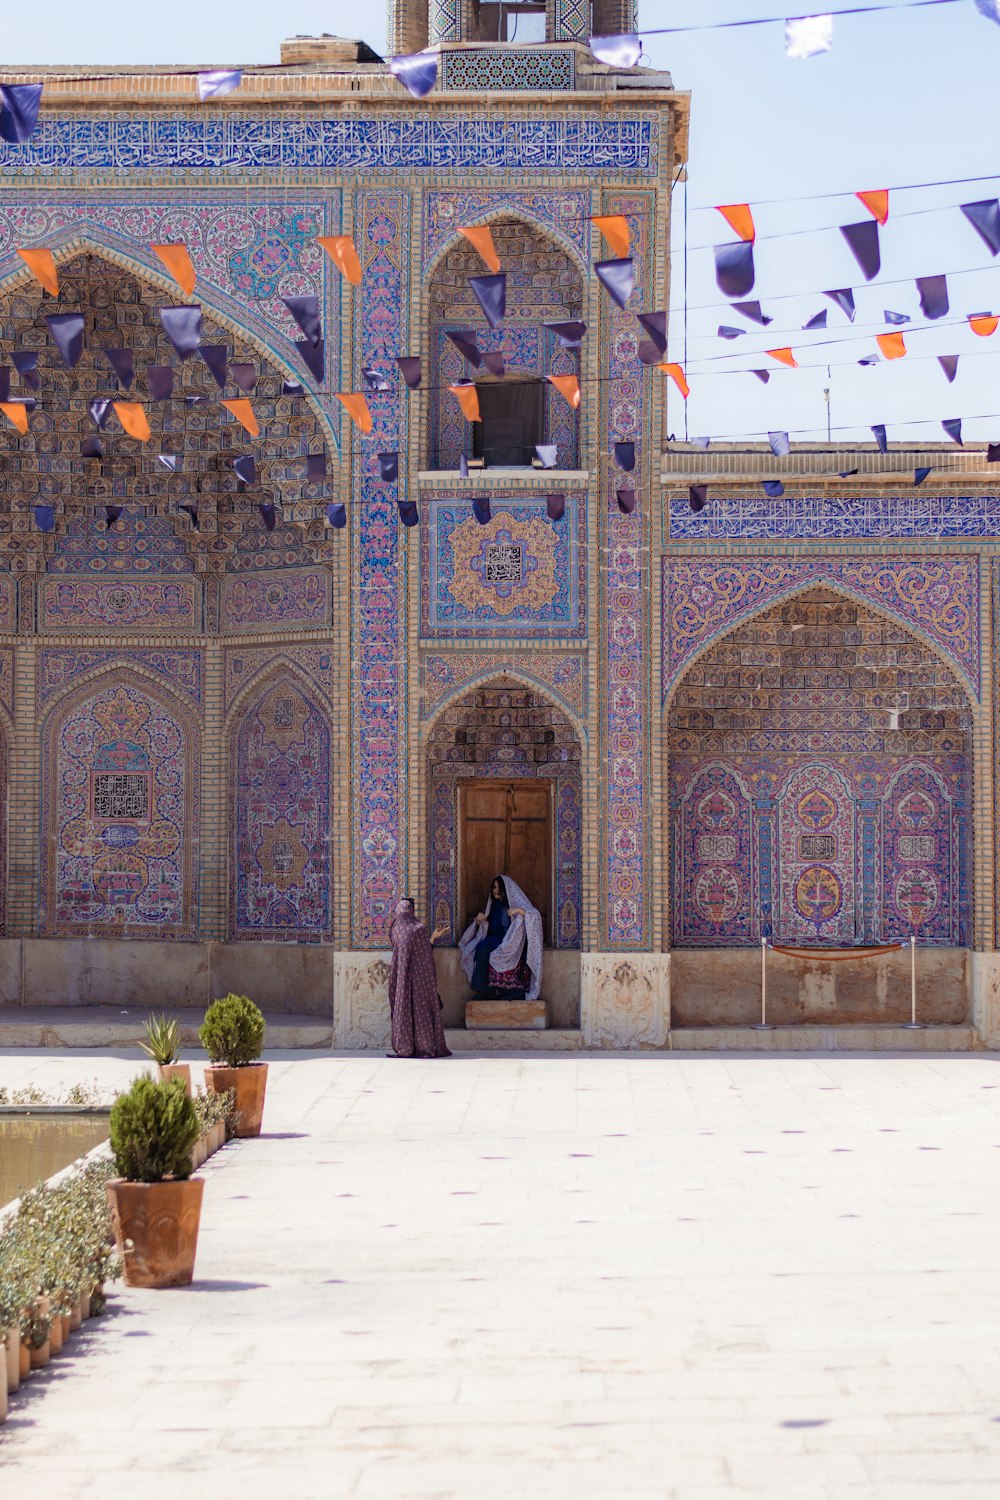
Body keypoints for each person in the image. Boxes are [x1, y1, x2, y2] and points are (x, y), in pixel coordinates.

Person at [458, 874, 544, 1002]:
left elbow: (534, 915)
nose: (496, 890)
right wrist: (479, 921)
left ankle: (487, 991)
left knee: (484, 947)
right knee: (481, 947)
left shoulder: (513, 903)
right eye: (494, 887)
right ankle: (484, 990)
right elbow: (487, 924)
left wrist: (518, 911)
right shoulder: (492, 905)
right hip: (495, 939)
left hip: (509, 940)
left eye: (499, 887)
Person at [387, 898, 451, 1058]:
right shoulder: (420, 929)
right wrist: (432, 938)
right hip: (420, 980)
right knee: (421, 1010)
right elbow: (423, 953)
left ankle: (404, 1047)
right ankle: (425, 1046)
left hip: (401, 978)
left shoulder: (395, 930)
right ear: (412, 912)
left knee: (404, 1008)